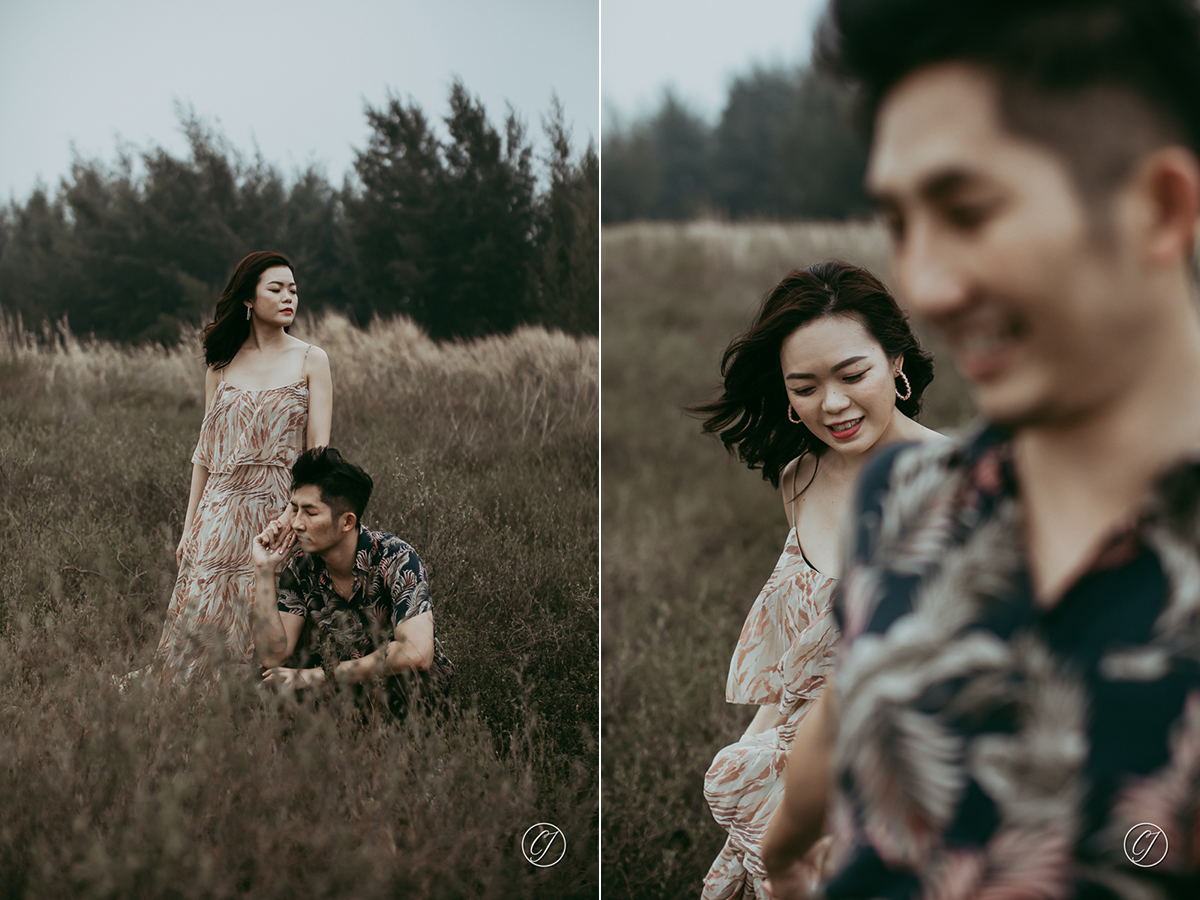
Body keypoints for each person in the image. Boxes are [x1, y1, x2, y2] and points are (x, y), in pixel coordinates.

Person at [762, 1, 1200, 898]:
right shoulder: (907, 498)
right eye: (900, 221)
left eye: (968, 210)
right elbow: (852, 694)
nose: (925, 283)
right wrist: (779, 849)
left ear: (1159, 210)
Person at [693, 260, 944, 900]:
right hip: (796, 792)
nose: (831, 404)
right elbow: (793, 671)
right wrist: (750, 768)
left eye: (852, 375)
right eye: (804, 387)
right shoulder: (799, 480)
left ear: (896, 362)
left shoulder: (962, 483)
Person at [154, 250, 332, 681]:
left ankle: (252, 717)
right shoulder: (222, 363)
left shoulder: (312, 359)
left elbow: (318, 455)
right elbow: (205, 454)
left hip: (277, 513)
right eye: (276, 288)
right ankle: (191, 715)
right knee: (204, 624)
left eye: (293, 288)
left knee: (264, 616)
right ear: (249, 299)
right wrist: (189, 525)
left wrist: (297, 516)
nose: (288, 296)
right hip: (219, 513)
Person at [249, 447, 453, 714]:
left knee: (410, 686)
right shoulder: (300, 566)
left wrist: (320, 675)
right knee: (264, 682)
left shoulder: (397, 558)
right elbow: (272, 656)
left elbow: (416, 652)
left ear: (347, 521)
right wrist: (263, 571)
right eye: (294, 509)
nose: (296, 523)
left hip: (394, 678)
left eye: (309, 513)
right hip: (340, 677)